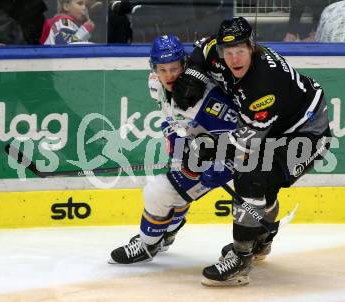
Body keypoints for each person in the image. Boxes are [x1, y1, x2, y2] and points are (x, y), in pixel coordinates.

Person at [172, 17, 331, 286]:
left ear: (252, 47)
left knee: (251, 175)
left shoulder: (263, 86)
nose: (234, 59)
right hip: (277, 125)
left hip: (306, 135)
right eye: (229, 52)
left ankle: (241, 257)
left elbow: (245, 147)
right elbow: (203, 47)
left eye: (241, 51)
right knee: (262, 186)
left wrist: (206, 151)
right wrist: (194, 73)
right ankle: (261, 239)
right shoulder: (218, 51)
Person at [108, 34, 239, 264]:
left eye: (174, 68)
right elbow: (169, 116)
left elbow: (236, 135)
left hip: (225, 154)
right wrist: (178, 143)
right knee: (176, 189)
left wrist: (215, 167)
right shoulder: (155, 83)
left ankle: (148, 246)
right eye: (163, 69)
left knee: (157, 192)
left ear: (185, 65)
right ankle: (166, 234)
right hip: (197, 147)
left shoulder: (202, 97)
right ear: (154, 68)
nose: (168, 75)